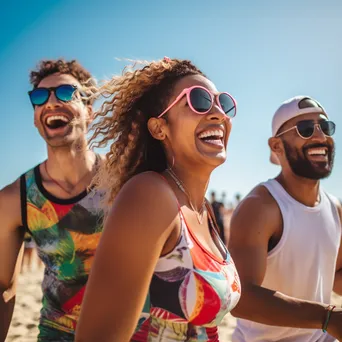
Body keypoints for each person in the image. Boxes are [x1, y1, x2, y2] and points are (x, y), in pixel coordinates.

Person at [75, 57, 241, 342]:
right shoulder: (149, 195)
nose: (218, 114)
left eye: (222, 103)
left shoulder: (200, 210)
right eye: (198, 101)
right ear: (159, 128)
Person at [0, 59, 104, 341]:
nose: (52, 102)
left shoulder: (125, 180)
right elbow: (4, 288)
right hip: (58, 333)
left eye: (66, 93)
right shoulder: (15, 198)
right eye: (39, 96)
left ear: (89, 111)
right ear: (35, 117)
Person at [228, 95, 342, 341]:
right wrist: (328, 318)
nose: (320, 136)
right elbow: (239, 297)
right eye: (305, 129)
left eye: (325, 127)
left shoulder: (334, 207)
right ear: (276, 146)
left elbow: (336, 274)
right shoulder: (260, 207)